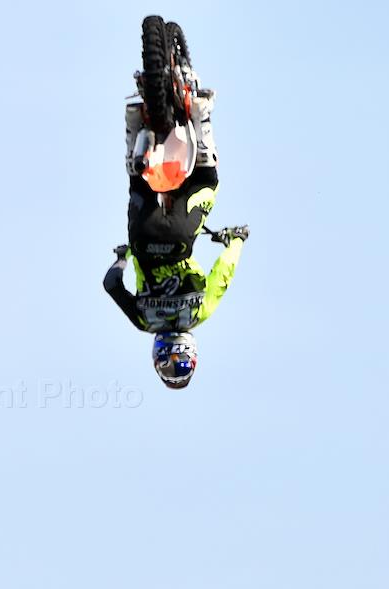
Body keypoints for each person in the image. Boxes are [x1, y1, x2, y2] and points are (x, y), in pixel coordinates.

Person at [107, 38, 249, 389]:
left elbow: (223, 274)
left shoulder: (199, 313)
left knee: (207, 180)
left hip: (181, 237)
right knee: (137, 182)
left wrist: (235, 241)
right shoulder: (144, 321)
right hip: (143, 237)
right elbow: (111, 284)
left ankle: (200, 113)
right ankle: (132, 122)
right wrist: (123, 257)